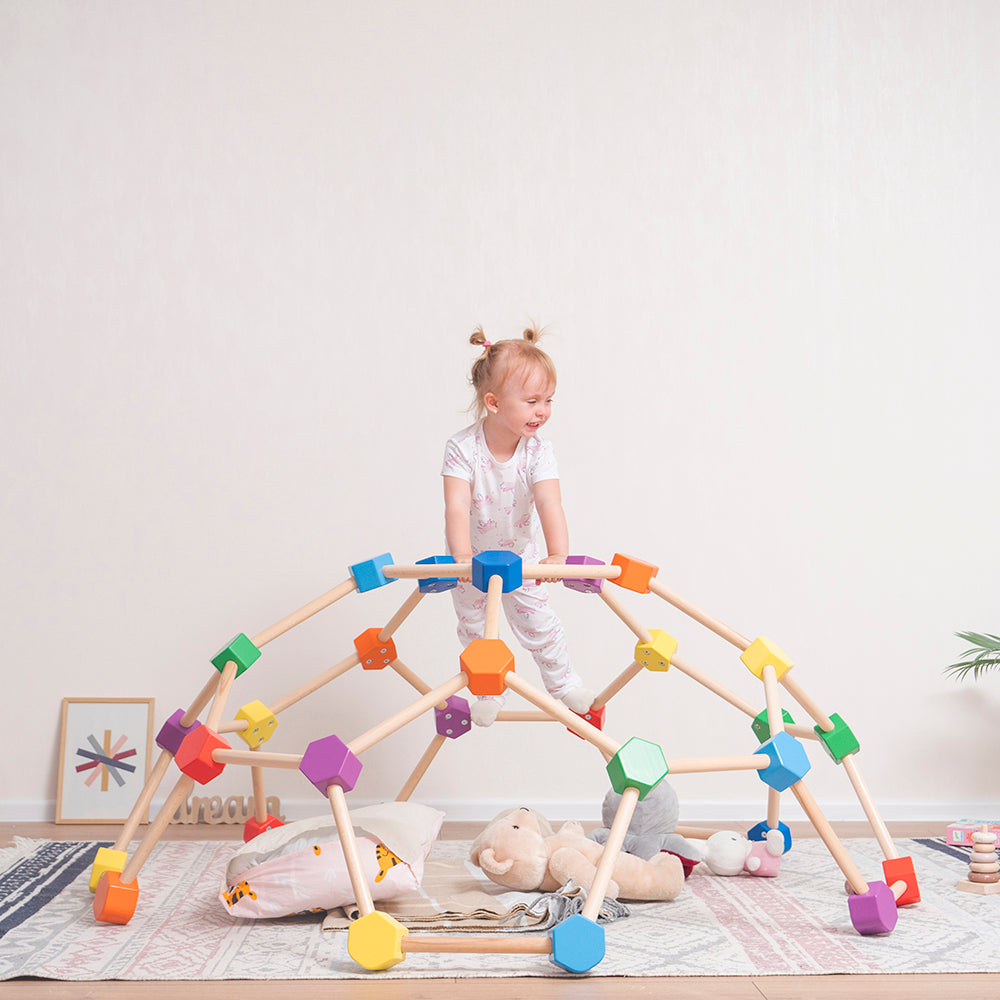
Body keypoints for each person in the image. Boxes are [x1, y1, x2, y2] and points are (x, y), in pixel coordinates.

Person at [441, 325, 594, 727]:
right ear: (493, 402)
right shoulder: (462, 448)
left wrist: (558, 553)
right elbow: (455, 505)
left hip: (520, 558)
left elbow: (549, 501)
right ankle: (488, 690)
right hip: (471, 560)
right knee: (475, 628)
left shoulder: (539, 452)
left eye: (548, 400)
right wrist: (460, 558)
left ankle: (564, 684)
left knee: (539, 625)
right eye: (530, 401)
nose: (541, 411)